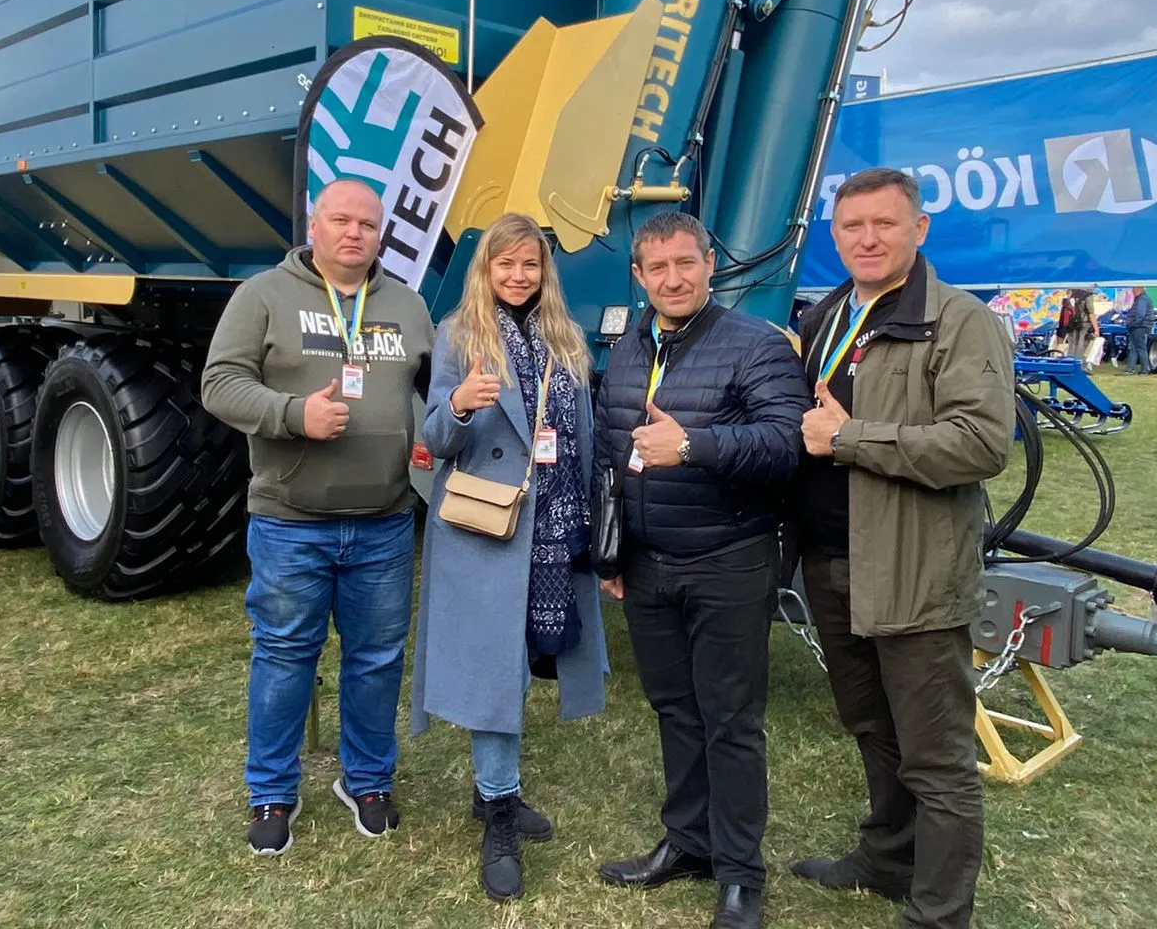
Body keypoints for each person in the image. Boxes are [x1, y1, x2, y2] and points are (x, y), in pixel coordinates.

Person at [790, 167, 1014, 929]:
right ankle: (888, 858)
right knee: (871, 727)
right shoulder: (827, 316)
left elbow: (981, 443)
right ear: (835, 235)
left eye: (884, 224)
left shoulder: (958, 321)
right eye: (852, 226)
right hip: (832, 560)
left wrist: (853, 438)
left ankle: (939, 912)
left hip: (913, 568)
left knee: (936, 756)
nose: (867, 239)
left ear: (919, 229)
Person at [201, 179, 434, 857]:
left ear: (382, 233)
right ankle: (272, 790)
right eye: (341, 220)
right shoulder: (263, 296)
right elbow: (219, 384)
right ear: (314, 224)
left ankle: (368, 780)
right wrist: (292, 414)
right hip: (291, 520)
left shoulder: (408, 306)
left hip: (385, 521)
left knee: (378, 660)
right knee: (284, 658)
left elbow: (438, 392)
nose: (354, 233)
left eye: (368, 223)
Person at [593, 211, 808, 929]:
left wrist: (693, 446)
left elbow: (786, 445)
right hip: (648, 565)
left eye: (686, 263)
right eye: (658, 268)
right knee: (675, 710)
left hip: (728, 560)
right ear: (639, 276)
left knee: (731, 719)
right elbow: (608, 457)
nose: (674, 278)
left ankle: (740, 873)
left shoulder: (756, 344)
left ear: (710, 265)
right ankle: (688, 843)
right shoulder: (629, 349)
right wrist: (611, 553)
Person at [411, 213, 608, 903]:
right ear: (486, 269)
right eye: (506, 264)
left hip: (554, 527)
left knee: (522, 660)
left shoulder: (565, 335)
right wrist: (461, 405)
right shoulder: (460, 334)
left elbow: (582, 432)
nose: (519, 276)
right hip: (489, 528)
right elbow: (435, 438)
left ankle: (494, 789)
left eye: (531, 264)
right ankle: (498, 809)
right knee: (498, 669)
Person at [1125, 285, 1155, 373]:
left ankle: (1144, 369)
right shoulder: (1140, 298)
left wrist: (1134, 323)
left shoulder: (1143, 299)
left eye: (1134, 288)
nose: (1132, 290)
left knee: (1140, 347)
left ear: (1139, 288)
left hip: (1140, 326)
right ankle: (1131, 368)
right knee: (1134, 347)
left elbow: (1141, 314)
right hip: (1138, 326)